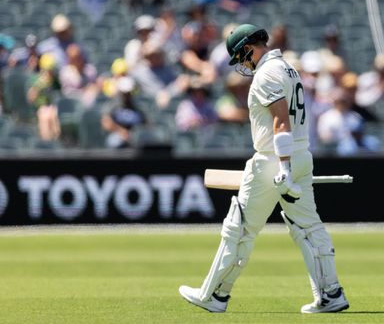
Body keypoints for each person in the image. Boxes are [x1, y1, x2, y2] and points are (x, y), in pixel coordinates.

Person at [179, 23, 349, 314]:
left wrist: (281, 167)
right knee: (308, 228)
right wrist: (289, 166)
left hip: (273, 159)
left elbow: (280, 120)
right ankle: (331, 294)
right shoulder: (288, 68)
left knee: (240, 228)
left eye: (240, 56)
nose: (242, 64)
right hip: (300, 154)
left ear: (248, 46)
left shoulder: (267, 72)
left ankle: (214, 295)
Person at [101, 76, 146, 148]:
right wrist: (121, 131)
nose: (127, 95)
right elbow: (106, 123)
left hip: (136, 135)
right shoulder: (112, 105)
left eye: (129, 92)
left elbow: (145, 122)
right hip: (117, 134)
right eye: (124, 93)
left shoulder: (137, 106)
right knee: (114, 142)